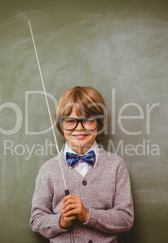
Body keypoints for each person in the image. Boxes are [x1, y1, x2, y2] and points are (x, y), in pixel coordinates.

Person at [30, 86, 134, 243]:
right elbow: (36, 220)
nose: (79, 127)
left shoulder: (116, 165)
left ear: (98, 124)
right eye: (71, 121)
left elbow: (125, 219)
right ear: (60, 126)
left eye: (88, 120)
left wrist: (87, 215)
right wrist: (61, 222)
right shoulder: (48, 170)